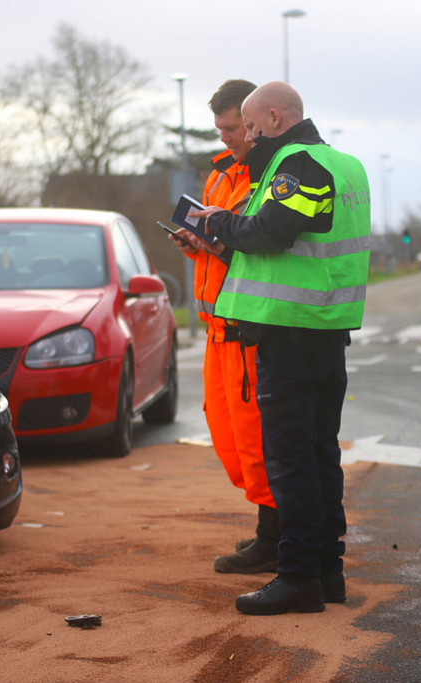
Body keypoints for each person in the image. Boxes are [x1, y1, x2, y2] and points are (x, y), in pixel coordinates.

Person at [189, 81, 371, 615]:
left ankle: (297, 578)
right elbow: (288, 241)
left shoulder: (299, 164)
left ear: (274, 117)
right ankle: (326, 574)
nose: (247, 137)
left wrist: (217, 221)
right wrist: (226, 233)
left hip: (290, 335)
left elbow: (270, 232)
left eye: (250, 126)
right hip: (322, 331)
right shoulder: (346, 165)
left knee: (292, 464)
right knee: (319, 458)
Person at [167, 79, 280, 575]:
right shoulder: (219, 176)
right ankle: (271, 530)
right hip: (217, 331)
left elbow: (262, 250)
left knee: (257, 443)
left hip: (245, 331)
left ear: (255, 123)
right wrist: (197, 246)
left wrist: (219, 245)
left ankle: (274, 538)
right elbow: (223, 244)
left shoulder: (266, 178)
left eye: (233, 128)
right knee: (230, 441)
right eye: (220, 129)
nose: (227, 138)